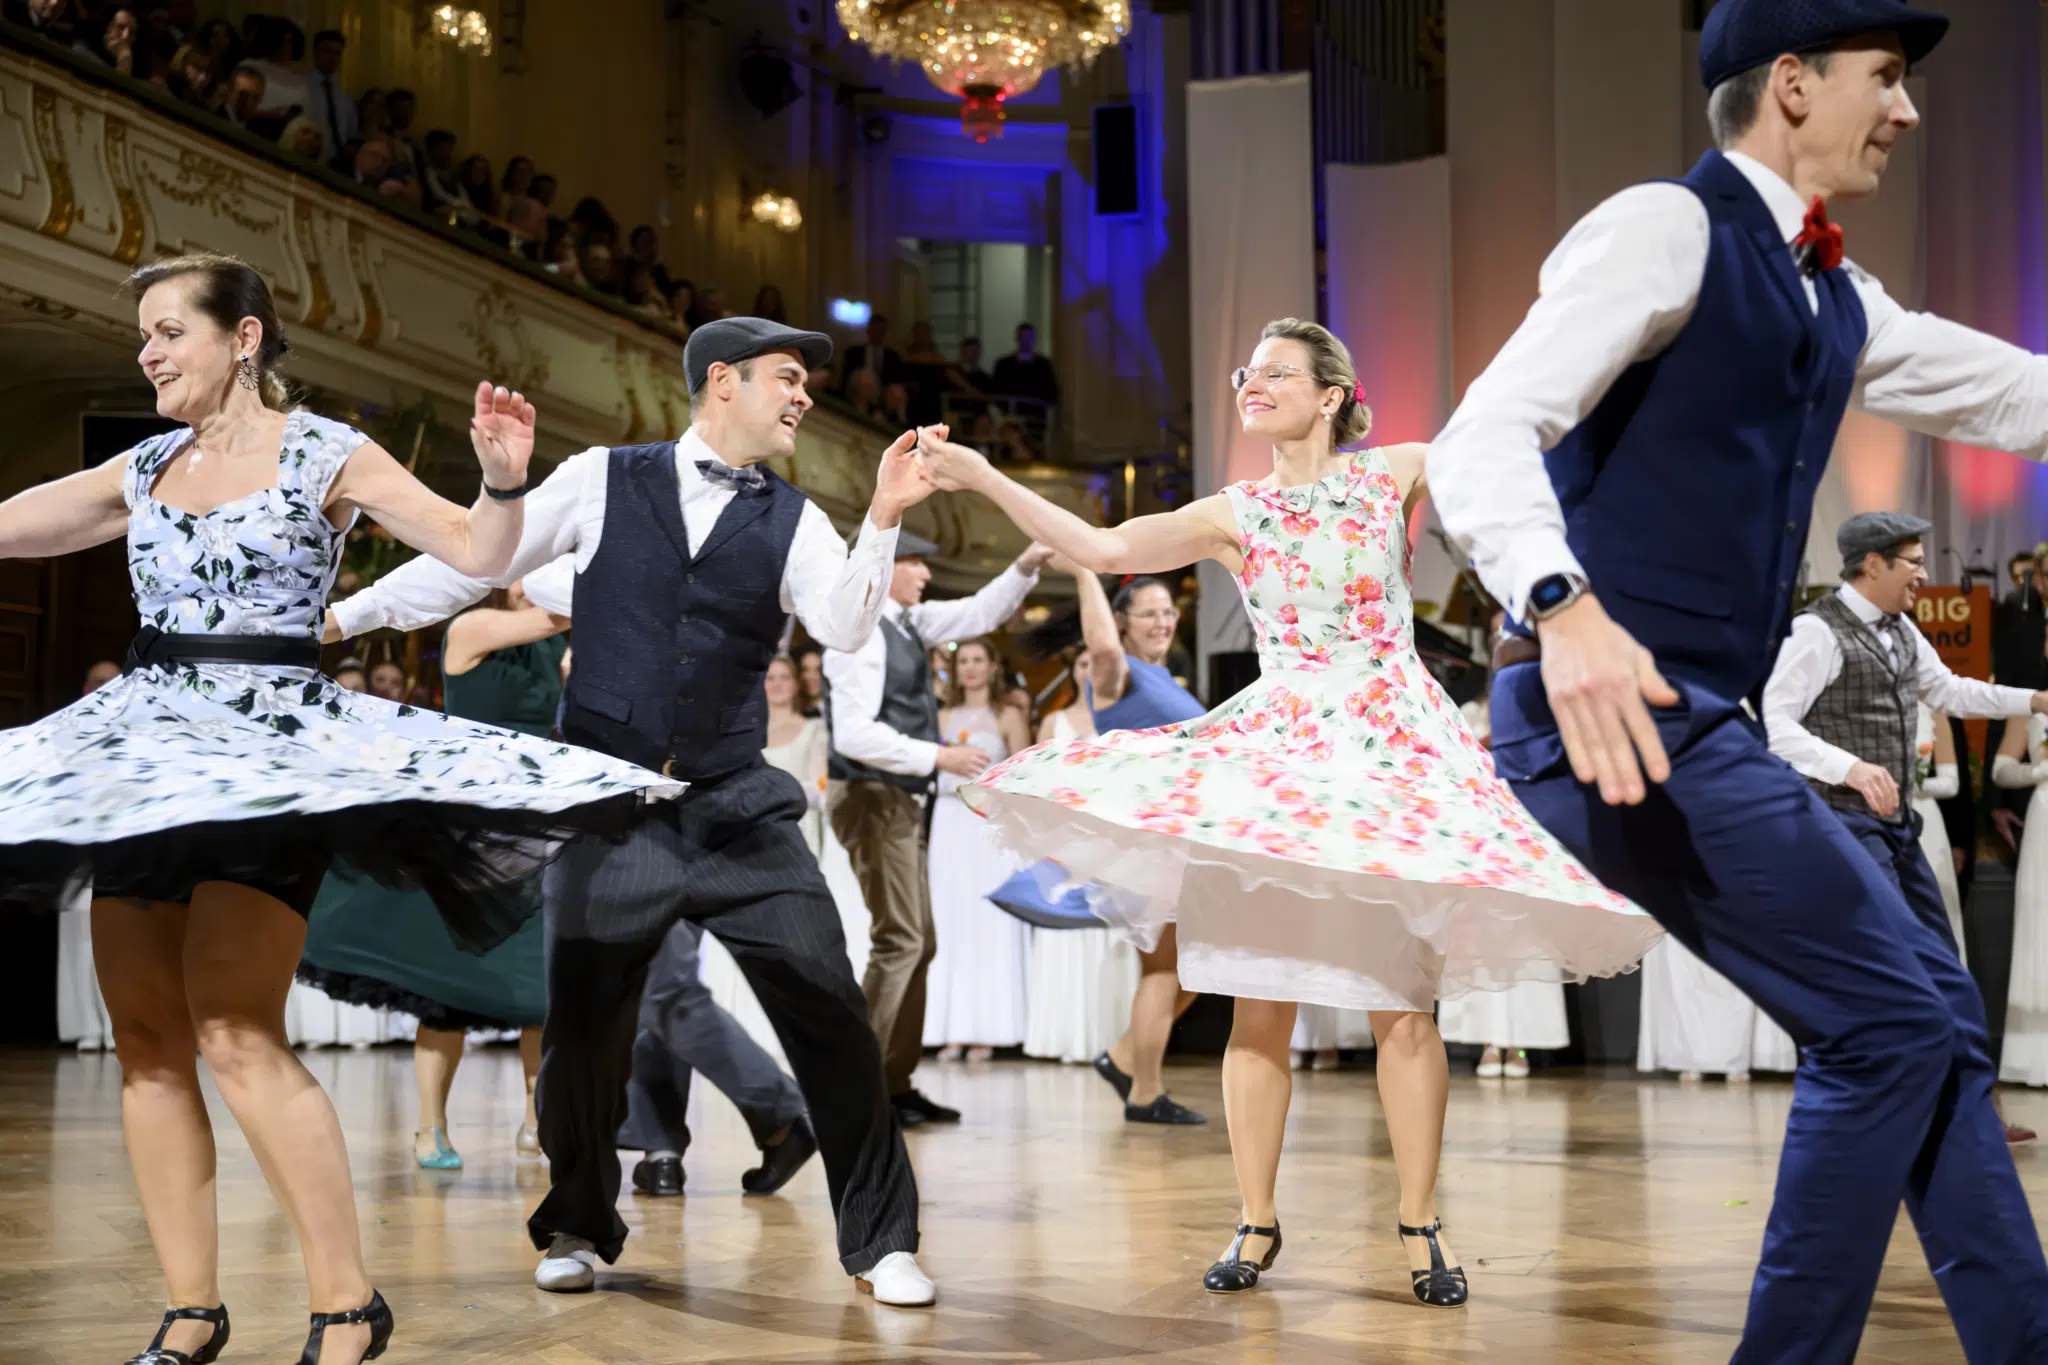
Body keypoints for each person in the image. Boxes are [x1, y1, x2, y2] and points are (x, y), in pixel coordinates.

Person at [1425, 3, 2048, 1358]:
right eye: (1887, 78)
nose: (1907, 110)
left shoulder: (1831, 292)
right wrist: (1562, 606)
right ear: (1792, 84)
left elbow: (2015, 395)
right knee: (1886, 1028)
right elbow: (1480, 435)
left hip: (1699, 725)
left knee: (1929, 1024)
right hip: (1607, 719)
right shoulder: (1666, 226)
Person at [0, 252, 672, 1365]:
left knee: (235, 1029)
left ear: (243, 338)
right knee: (149, 1043)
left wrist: (503, 483)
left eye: (168, 331)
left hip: (272, 764)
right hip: (147, 759)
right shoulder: (144, 465)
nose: (148, 352)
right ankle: (190, 1311)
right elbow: (10, 523)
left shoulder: (325, 450)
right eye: (143, 335)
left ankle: (347, 1303)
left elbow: (475, 552)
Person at [920, 317, 1660, 1307]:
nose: (1252, 384)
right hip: (1280, 760)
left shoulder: (1394, 471)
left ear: (1330, 395)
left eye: (1275, 372)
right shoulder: (1236, 512)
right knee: (1257, 1001)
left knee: (1404, 1007)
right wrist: (980, 475)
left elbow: (1509, 468)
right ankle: (1256, 1219)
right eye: (1247, 372)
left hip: (1391, 755)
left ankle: (1420, 1221)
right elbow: (1100, 544)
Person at [327, 316, 943, 1307]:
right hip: (612, 806)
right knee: (584, 1031)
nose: (803, 398)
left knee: (829, 1009)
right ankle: (576, 1220)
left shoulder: (795, 518)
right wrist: (342, 617)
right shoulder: (602, 479)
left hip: (738, 808)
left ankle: (882, 1240)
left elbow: (840, 623)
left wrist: (882, 514)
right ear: (723, 381)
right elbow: (475, 564)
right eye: (788, 378)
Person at [295, 580, 570, 1170]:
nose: (531, 582)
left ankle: (537, 1123)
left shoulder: (557, 645)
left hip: (538, 817)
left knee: (540, 987)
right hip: (468, 821)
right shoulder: (472, 628)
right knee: (446, 989)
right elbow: (554, 618)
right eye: (523, 570)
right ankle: (430, 1127)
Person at [823, 533, 1050, 1129]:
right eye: (913, 561)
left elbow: (977, 612)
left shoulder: (904, 622)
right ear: (880, 565)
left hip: (898, 796)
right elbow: (852, 734)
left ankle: (893, 1084)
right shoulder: (858, 631)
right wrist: (938, 756)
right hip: (871, 795)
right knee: (901, 940)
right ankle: (856, 1092)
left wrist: (1026, 562)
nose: (925, 573)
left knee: (919, 942)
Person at [1761, 511, 2045, 969]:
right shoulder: (1816, 630)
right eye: (1914, 562)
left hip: (1898, 824)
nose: (1924, 574)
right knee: (1885, 954)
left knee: (1939, 955)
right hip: (1843, 821)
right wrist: (1849, 767)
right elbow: (1773, 725)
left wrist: (2034, 700)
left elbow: (1950, 691)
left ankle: (1947, 1020)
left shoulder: (1902, 627)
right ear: (1874, 565)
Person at [1018, 652, 1140, 1065]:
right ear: (1072, 670)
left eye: (1096, 662)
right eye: (1082, 663)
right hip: (1065, 838)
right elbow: (1034, 784)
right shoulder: (1054, 722)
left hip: (1113, 839)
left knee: (1109, 933)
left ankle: (1112, 1042)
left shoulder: (1126, 721)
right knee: (1066, 933)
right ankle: (1064, 1035)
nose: (1089, 671)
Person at [921, 637, 1033, 1061]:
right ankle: (951, 1029)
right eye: (963, 660)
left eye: (977, 659)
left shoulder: (1008, 715)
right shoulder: (941, 715)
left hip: (988, 823)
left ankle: (989, 1028)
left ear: (992, 666)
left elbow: (1025, 774)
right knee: (950, 918)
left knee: (988, 920)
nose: (969, 667)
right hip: (949, 822)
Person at [55, 660, 122, 1053]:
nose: (104, 689)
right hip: (78, 853)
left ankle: (119, 1028)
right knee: (79, 943)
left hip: (122, 852)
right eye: (98, 682)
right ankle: (86, 1027)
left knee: (119, 942)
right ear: (85, 689)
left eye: (112, 683)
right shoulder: (67, 732)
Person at [303, 29, 354, 163]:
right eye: (326, 52)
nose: (332, 58)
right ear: (315, 52)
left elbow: (350, 134)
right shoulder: (301, 87)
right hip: (308, 159)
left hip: (338, 163)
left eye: (337, 54)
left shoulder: (344, 99)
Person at [838, 314, 901, 403]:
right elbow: (845, 379)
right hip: (858, 392)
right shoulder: (854, 352)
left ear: (885, 333)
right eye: (874, 330)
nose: (877, 334)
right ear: (868, 330)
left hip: (884, 395)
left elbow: (895, 380)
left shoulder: (892, 356)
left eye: (881, 331)